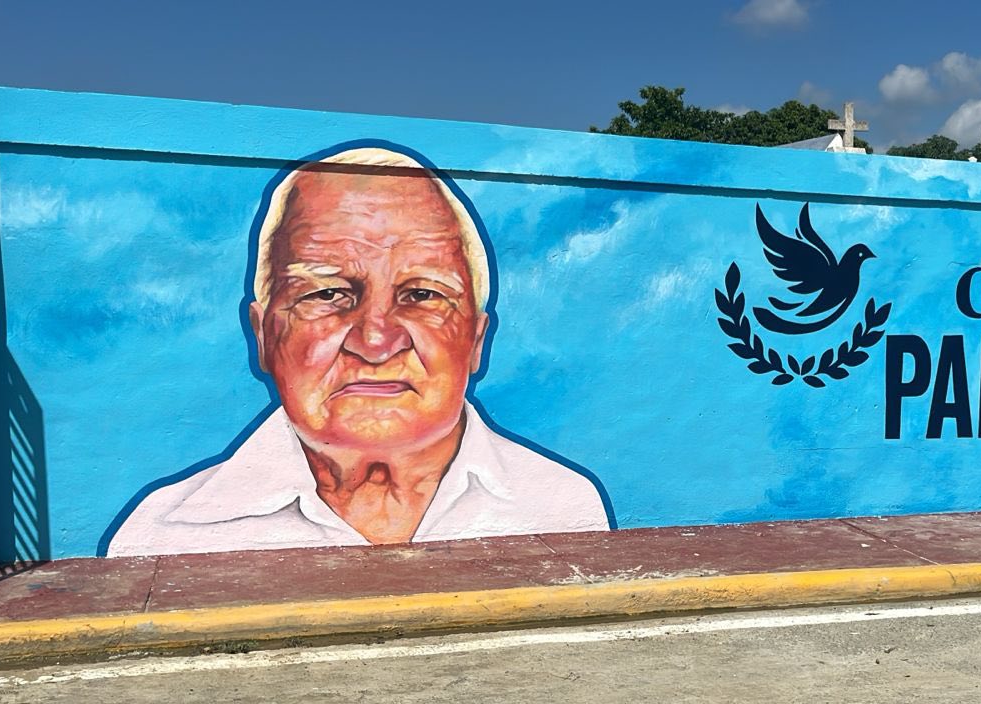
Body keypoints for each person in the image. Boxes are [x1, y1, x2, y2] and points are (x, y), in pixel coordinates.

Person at [105, 146, 610, 556]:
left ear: (476, 341)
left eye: (423, 295)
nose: (376, 341)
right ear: (262, 337)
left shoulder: (565, 508)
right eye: (326, 294)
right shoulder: (163, 536)